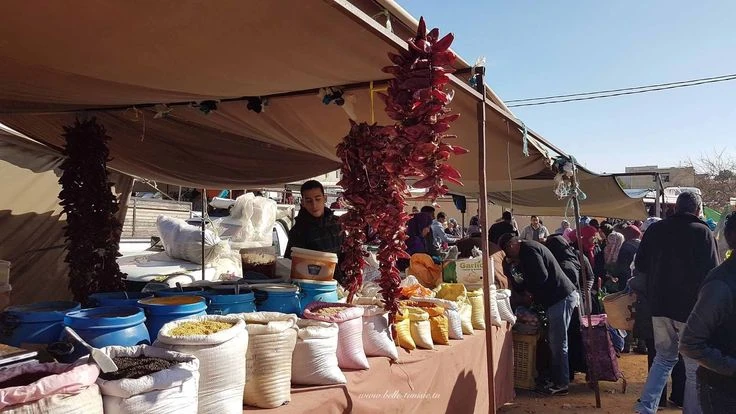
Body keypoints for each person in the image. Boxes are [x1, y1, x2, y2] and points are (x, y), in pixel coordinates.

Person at [633, 191, 720, 414]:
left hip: (659, 306)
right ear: (698, 209)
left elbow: (640, 266)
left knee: (663, 358)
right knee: (692, 368)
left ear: (676, 208)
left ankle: (646, 408)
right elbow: (712, 275)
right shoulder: (703, 232)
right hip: (690, 310)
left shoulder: (655, 229)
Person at [499, 233, 578, 396]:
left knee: (558, 343)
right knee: (555, 342)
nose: (508, 256)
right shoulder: (527, 250)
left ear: (512, 245)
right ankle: (557, 379)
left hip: (560, 298)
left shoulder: (529, 251)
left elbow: (541, 277)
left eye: (507, 251)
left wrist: (529, 293)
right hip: (556, 299)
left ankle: (561, 384)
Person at [680, 211, 736, 413]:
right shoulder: (721, 285)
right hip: (724, 392)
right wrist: (731, 367)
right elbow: (690, 343)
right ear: (731, 237)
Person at [285, 180, 343, 277]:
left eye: (318, 199)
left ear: (325, 199)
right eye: (309, 200)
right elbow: (291, 263)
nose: (314, 205)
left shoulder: (337, 223)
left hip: (340, 284)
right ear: (303, 202)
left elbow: (346, 255)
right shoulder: (298, 231)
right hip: (313, 286)